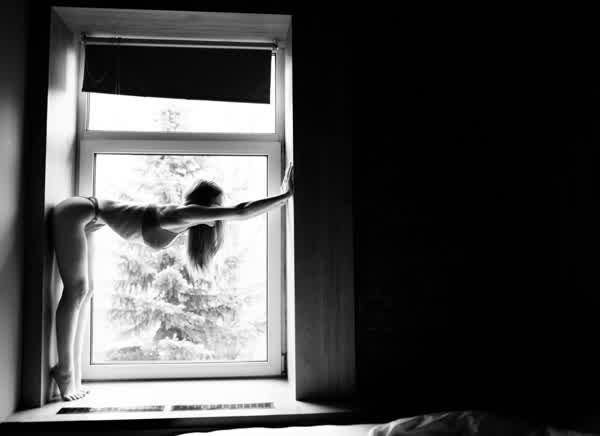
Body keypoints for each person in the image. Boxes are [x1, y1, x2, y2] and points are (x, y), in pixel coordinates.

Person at [50, 164, 294, 401]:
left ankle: (73, 372)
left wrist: (283, 199)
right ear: (205, 204)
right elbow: (241, 211)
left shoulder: (184, 220)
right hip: (79, 211)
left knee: (86, 292)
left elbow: (236, 212)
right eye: (218, 205)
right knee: (77, 290)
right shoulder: (182, 214)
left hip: (92, 218)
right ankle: (65, 372)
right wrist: (285, 196)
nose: (220, 212)